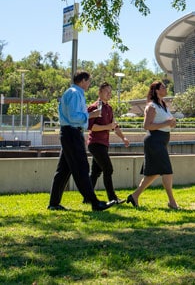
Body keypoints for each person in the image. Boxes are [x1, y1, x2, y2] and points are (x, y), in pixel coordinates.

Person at [48, 71, 114, 211]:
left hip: (69, 133)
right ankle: (95, 202)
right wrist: (91, 115)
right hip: (72, 133)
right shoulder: (74, 93)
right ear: (83, 80)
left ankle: (54, 203)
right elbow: (73, 117)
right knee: (82, 168)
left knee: (64, 170)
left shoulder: (72, 92)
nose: (89, 84)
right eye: (89, 81)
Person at [127, 81, 178, 209]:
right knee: (167, 171)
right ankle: (172, 202)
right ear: (156, 90)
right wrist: (166, 123)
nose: (166, 89)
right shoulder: (152, 106)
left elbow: (166, 122)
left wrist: (171, 123)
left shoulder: (162, 105)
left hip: (161, 140)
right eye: (163, 87)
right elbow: (147, 126)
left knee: (153, 173)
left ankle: (134, 196)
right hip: (155, 140)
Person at [86, 82, 130, 205]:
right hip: (95, 144)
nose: (109, 94)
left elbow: (114, 126)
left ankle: (87, 197)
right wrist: (107, 126)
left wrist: (123, 138)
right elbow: (91, 127)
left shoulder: (109, 108)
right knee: (108, 169)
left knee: (95, 172)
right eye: (107, 91)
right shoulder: (93, 107)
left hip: (104, 144)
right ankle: (113, 198)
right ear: (99, 92)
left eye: (110, 92)